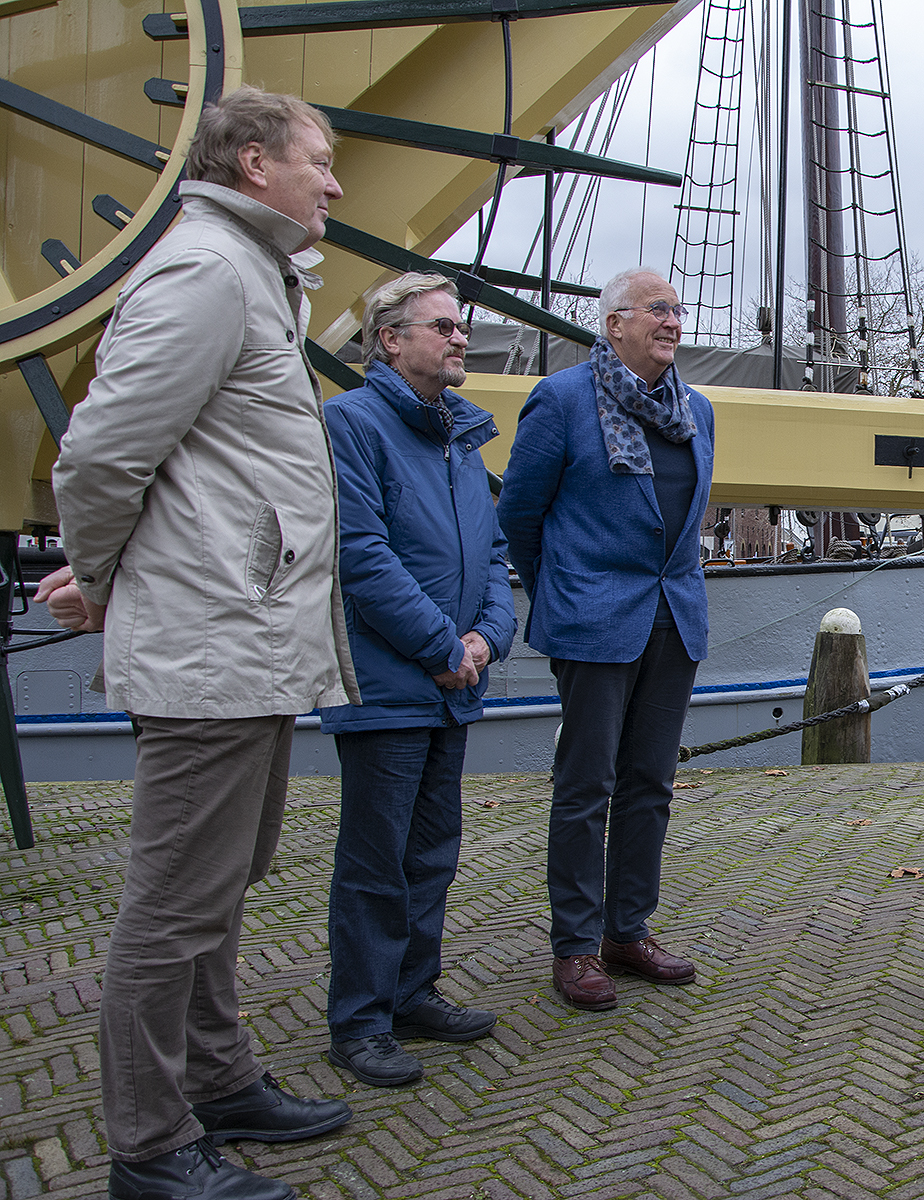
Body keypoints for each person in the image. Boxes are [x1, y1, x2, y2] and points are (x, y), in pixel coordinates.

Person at [36, 88, 358, 1200]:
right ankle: (150, 1145)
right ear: (257, 161)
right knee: (173, 905)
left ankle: (221, 1083)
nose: (336, 181)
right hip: (211, 642)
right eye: (321, 160)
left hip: (245, 637)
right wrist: (112, 583)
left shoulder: (250, 274)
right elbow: (97, 457)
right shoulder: (208, 272)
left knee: (219, 885)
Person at [496, 268, 715, 1011]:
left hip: (674, 617)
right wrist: (565, 586)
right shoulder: (560, 401)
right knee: (586, 786)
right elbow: (520, 517)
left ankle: (628, 930)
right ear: (614, 322)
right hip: (594, 619)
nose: (673, 320)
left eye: (678, 310)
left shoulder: (698, 411)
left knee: (650, 783)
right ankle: (576, 946)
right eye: (658, 309)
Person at [320, 273, 517, 1087]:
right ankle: (359, 1022)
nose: (460, 337)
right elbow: (360, 554)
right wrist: (444, 645)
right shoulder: (351, 425)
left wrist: (485, 640)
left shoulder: (462, 441)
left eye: (461, 325)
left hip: (451, 682)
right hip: (389, 685)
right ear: (390, 340)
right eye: (442, 326)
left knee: (432, 850)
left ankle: (412, 993)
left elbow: (495, 560)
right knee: (376, 858)